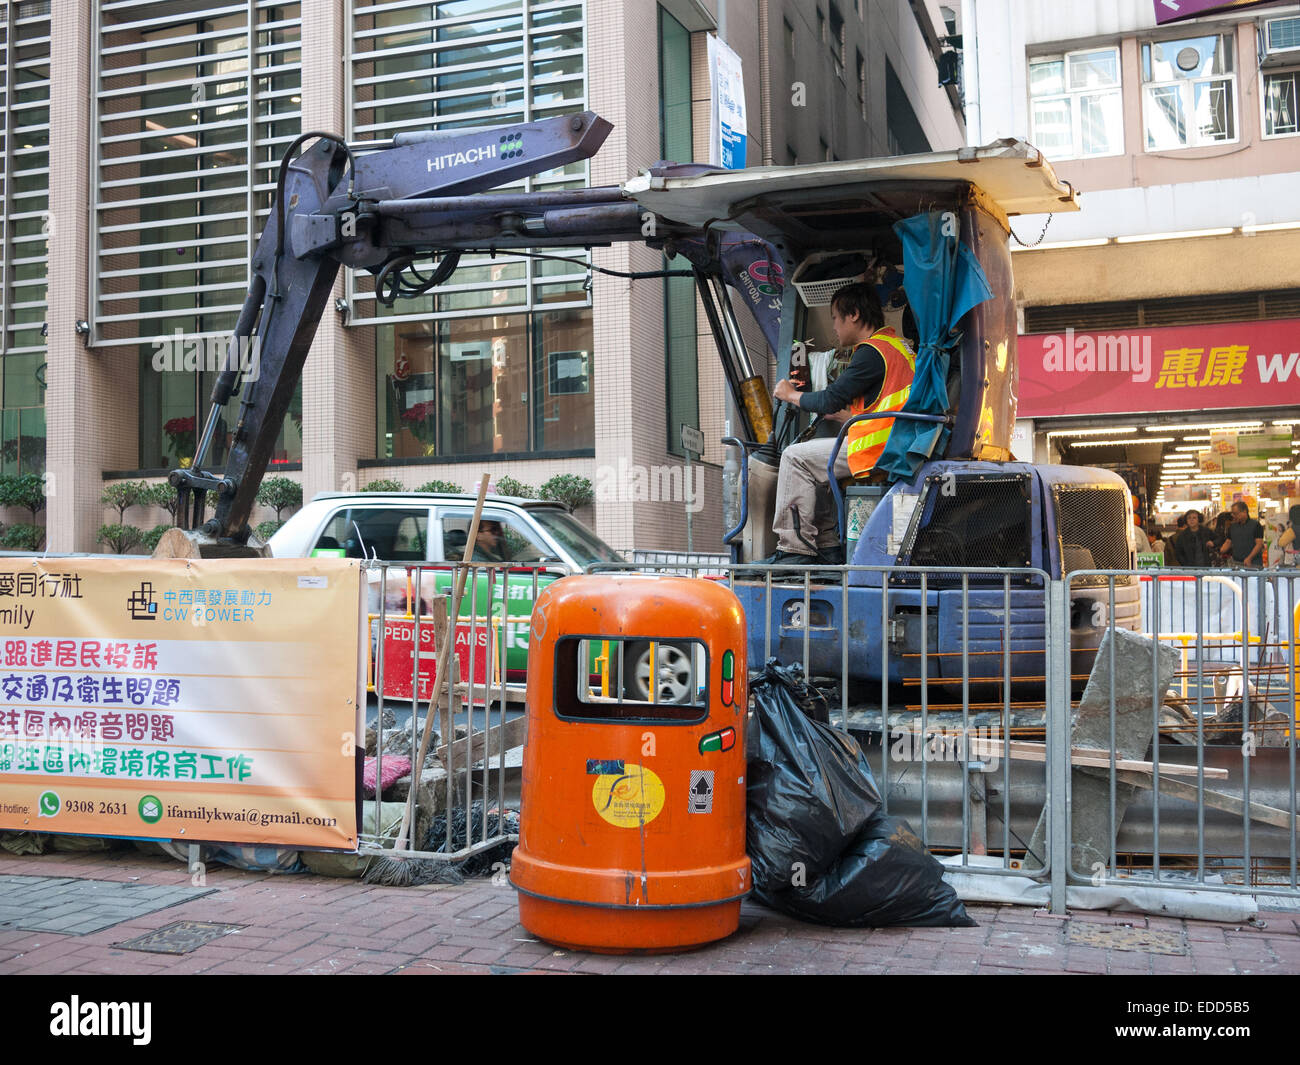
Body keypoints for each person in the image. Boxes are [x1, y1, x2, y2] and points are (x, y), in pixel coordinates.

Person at [764, 281, 915, 564]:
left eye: (835, 317)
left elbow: (829, 400)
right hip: (898, 441)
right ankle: (829, 546)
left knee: (795, 457)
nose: (834, 326)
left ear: (854, 314)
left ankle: (795, 549)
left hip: (879, 449)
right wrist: (850, 418)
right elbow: (890, 405)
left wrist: (791, 394)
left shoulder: (872, 352)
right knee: (818, 461)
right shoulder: (897, 346)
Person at [1219, 501, 1264, 568]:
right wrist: (1221, 550)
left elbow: (1259, 544)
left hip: (1253, 563)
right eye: (1232, 514)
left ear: (1244, 512)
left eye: (1235, 514)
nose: (1233, 516)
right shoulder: (1232, 527)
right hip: (1237, 563)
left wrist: (1249, 558)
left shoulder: (1256, 525)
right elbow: (1228, 542)